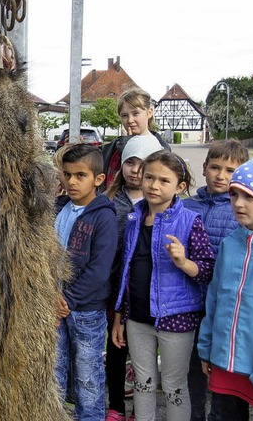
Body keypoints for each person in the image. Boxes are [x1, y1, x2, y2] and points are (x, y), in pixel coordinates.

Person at [112, 150, 215, 421]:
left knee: (174, 386)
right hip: (137, 318)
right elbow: (127, 269)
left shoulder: (190, 222)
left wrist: (183, 262)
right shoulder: (134, 219)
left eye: (164, 180)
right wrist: (120, 316)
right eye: (149, 177)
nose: (154, 185)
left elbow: (206, 271)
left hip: (176, 319)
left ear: (180, 187)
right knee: (142, 382)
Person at [182, 139, 249, 421]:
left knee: (225, 375)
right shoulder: (187, 205)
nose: (221, 176)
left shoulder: (242, 210)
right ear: (205, 168)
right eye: (215, 168)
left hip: (224, 307)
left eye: (231, 170)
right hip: (188, 302)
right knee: (192, 368)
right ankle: (194, 414)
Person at [54, 143, 118, 421]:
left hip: (86, 310)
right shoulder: (59, 209)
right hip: (52, 306)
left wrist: (67, 299)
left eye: (80, 175)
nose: (72, 181)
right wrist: (52, 297)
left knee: (88, 376)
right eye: (67, 175)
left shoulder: (104, 216)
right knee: (53, 371)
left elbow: (99, 270)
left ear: (99, 179)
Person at [105, 136, 164, 421]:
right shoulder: (109, 203)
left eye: (142, 164)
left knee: (143, 356)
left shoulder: (159, 205)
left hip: (145, 292)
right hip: (114, 291)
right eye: (130, 162)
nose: (135, 170)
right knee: (115, 350)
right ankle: (116, 405)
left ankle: (142, 410)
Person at [198, 158, 253, 421]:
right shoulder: (230, 243)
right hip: (226, 359)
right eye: (234, 195)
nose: (238, 204)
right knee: (225, 415)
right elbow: (215, 299)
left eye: (249, 196)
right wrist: (207, 347)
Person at [102, 87, 170, 190]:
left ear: (149, 112)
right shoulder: (113, 147)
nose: (130, 120)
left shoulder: (160, 149)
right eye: (124, 115)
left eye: (135, 113)